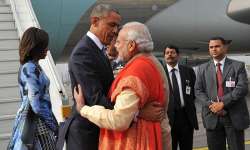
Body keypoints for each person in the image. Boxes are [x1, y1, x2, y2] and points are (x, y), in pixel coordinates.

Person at [63, 4, 163, 150]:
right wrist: (137, 112)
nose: (115, 31)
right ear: (95, 21)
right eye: (111, 25)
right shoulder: (83, 53)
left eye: (117, 26)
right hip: (86, 135)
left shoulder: (96, 50)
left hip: (99, 127)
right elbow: (95, 99)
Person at [7, 27, 58, 150]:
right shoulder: (30, 68)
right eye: (45, 46)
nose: (47, 49)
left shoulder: (33, 66)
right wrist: (53, 125)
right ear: (36, 47)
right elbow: (36, 105)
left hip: (36, 121)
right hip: (37, 124)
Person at [195, 36, 250, 150]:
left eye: (217, 46)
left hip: (233, 116)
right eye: (211, 47)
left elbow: (242, 88)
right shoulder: (202, 68)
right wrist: (212, 105)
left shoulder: (237, 66)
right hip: (212, 116)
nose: (214, 49)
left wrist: (223, 103)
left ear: (225, 48)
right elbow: (198, 91)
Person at [160, 45, 198, 150]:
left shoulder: (188, 71)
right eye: (167, 53)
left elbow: (194, 92)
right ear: (164, 56)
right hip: (167, 119)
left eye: (172, 52)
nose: (170, 55)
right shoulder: (159, 73)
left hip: (186, 118)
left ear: (178, 55)